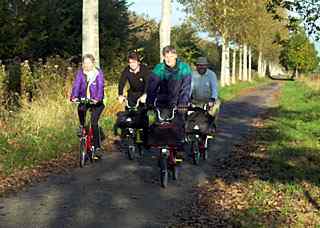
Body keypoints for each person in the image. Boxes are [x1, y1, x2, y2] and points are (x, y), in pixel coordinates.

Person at [146, 45, 192, 149]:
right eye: (166, 56)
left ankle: (180, 146)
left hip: (179, 102)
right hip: (163, 101)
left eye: (171, 56)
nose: (168, 59)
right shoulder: (159, 68)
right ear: (163, 57)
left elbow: (186, 87)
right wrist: (149, 102)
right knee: (160, 126)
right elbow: (152, 87)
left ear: (176, 56)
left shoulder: (184, 68)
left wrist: (183, 103)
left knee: (178, 126)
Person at [70, 54, 105, 158]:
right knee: (80, 108)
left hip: (96, 102)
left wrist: (97, 98)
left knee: (94, 123)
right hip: (85, 100)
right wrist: (74, 97)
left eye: (88, 63)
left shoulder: (98, 73)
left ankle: (97, 147)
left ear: (93, 63)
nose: (86, 65)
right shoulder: (81, 73)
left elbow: (100, 86)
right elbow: (76, 85)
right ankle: (81, 126)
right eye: (84, 63)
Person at [116, 51, 150, 146]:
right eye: (130, 62)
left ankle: (146, 138)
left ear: (138, 62)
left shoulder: (144, 69)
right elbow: (121, 82)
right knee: (129, 113)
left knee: (142, 115)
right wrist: (120, 95)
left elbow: (148, 83)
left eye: (134, 62)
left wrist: (145, 94)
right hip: (132, 94)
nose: (132, 64)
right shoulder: (127, 70)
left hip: (143, 93)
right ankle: (128, 136)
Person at [191, 56, 221, 133]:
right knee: (190, 114)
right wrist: (187, 97)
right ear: (196, 66)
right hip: (196, 100)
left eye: (203, 65)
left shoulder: (212, 74)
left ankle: (213, 126)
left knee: (214, 110)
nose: (201, 67)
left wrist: (213, 99)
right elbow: (190, 88)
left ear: (206, 66)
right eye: (199, 65)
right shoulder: (192, 74)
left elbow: (214, 88)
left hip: (210, 100)